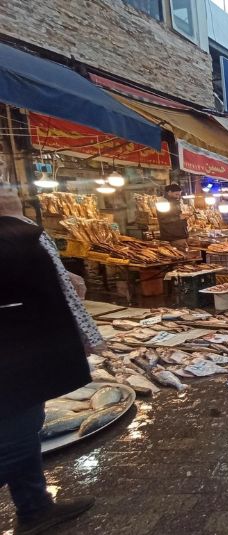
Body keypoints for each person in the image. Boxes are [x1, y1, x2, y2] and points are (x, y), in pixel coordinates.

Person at [1, 186, 100, 534]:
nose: (11, 188)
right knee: (17, 435)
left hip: (19, 349)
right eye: (4, 187)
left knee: (20, 430)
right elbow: (65, 291)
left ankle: (35, 508)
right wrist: (86, 337)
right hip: (19, 352)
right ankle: (35, 508)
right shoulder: (24, 234)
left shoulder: (22, 231)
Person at [156, 183, 189, 251]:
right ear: (169, 192)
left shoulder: (174, 202)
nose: (178, 196)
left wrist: (184, 218)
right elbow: (163, 219)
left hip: (178, 235)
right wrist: (179, 218)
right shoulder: (163, 202)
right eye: (176, 194)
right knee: (181, 257)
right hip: (173, 237)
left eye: (179, 194)